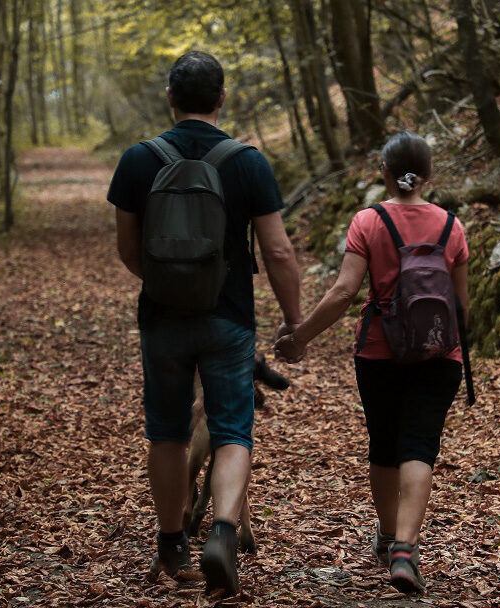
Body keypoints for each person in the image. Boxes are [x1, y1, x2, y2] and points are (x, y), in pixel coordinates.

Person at [107, 51, 302, 594]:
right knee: (233, 429)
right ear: (222, 99)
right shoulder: (248, 162)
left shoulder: (137, 160)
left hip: (162, 319)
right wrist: (294, 322)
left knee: (167, 431)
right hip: (231, 320)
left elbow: (127, 247)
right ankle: (220, 531)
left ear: (170, 98)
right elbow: (280, 252)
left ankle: (172, 541)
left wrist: (166, 283)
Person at [275, 132, 469, 594]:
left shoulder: (369, 220)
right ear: (429, 176)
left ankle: (386, 539)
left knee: (384, 445)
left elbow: (344, 292)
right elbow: (461, 307)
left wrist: (299, 337)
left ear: (383, 171)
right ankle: (407, 547)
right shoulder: (453, 227)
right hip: (442, 354)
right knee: (419, 446)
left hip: (380, 351)